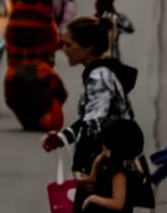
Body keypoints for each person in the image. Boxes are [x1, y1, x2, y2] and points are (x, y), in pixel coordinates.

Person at [42, 16, 136, 172]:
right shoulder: (102, 72)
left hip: (111, 169)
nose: (63, 50)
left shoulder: (99, 77)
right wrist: (63, 137)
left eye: (68, 45)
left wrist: (79, 168)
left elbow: (93, 126)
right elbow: (90, 119)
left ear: (88, 47)